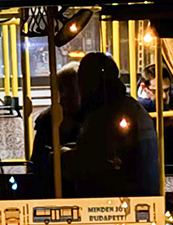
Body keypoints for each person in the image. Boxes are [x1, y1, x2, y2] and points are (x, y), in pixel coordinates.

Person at [64, 52, 159, 197]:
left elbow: (91, 165)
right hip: (144, 195)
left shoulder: (104, 114)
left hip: (117, 199)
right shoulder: (131, 107)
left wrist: (62, 156)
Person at [28, 62, 80, 194]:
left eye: (69, 90)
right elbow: (37, 163)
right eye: (61, 90)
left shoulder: (91, 118)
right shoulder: (47, 120)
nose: (63, 96)